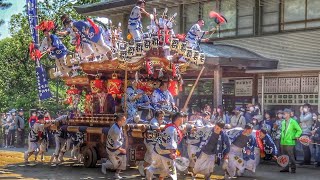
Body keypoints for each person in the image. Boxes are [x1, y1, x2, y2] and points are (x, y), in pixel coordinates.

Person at [146, 112, 184, 180]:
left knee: (160, 168)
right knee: (172, 172)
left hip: (158, 151)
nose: (183, 120)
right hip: (165, 153)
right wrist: (172, 152)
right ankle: (150, 172)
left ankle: (150, 173)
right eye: (182, 118)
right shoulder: (172, 129)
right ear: (179, 119)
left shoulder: (172, 127)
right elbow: (170, 141)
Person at [141, 110, 167, 176]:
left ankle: (143, 168)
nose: (162, 118)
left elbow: (167, 125)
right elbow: (157, 128)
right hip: (149, 142)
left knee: (148, 157)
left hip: (155, 142)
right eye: (160, 117)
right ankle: (150, 173)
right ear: (156, 117)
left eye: (163, 116)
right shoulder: (154, 121)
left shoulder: (163, 121)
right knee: (154, 156)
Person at [102, 114, 127, 179]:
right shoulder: (116, 130)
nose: (125, 122)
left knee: (123, 160)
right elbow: (115, 143)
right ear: (119, 121)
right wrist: (121, 149)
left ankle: (117, 174)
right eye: (124, 120)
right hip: (112, 149)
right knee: (115, 165)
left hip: (116, 147)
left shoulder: (119, 126)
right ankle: (104, 165)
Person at [280, 108, 302, 173]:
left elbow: (299, 130)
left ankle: (293, 168)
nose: (284, 114)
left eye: (286, 113)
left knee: (291, 156)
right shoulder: (283, 122)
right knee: (284, 156)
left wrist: (296, 136)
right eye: (284, 113)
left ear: (289, 114)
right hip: (283, 141)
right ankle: (285, 168)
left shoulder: (293, 121)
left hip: (290, 141)